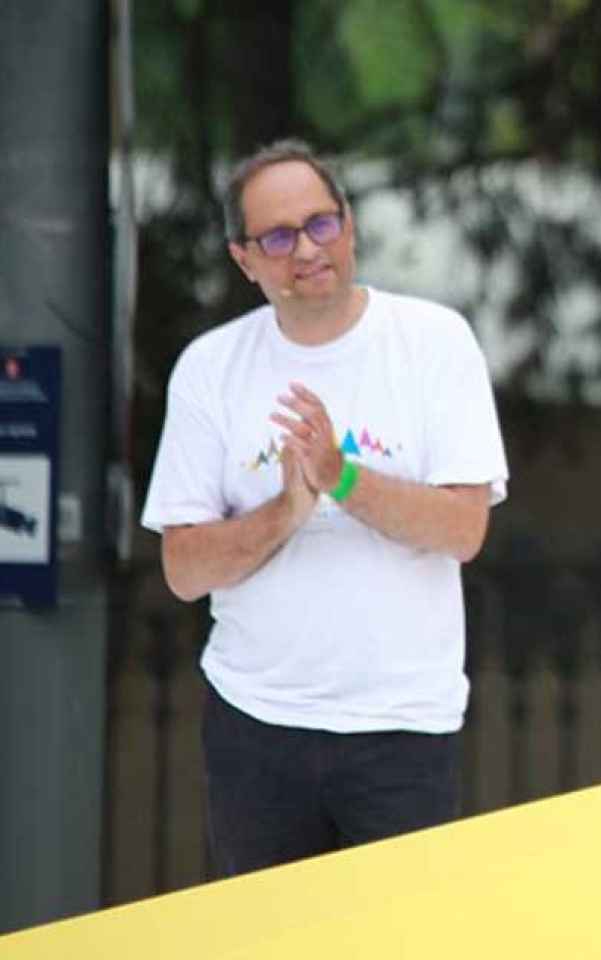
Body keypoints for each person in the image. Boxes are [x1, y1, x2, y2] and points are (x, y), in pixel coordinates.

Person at [140, 139, 509, 876]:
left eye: (321, 224)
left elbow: (464, 529)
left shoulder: (435, 344)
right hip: (256, 726)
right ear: (244, 258)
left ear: (350, 226)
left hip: (402, 728)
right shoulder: (211, 368)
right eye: (278, 237)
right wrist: (286, 509)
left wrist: (344, 480)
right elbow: (182, 569)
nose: (306, 249)